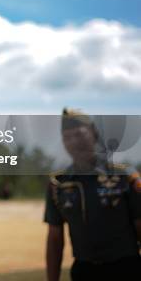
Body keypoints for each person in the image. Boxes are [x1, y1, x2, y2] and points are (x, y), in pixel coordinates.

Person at [44, 108, 141, 281]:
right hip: (84, 271)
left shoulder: (124, 177)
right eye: (67, 137)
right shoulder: (58, 184)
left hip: (127, 269)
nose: (74, 141)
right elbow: (55, 239)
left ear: (94, 133)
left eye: (79, 134)